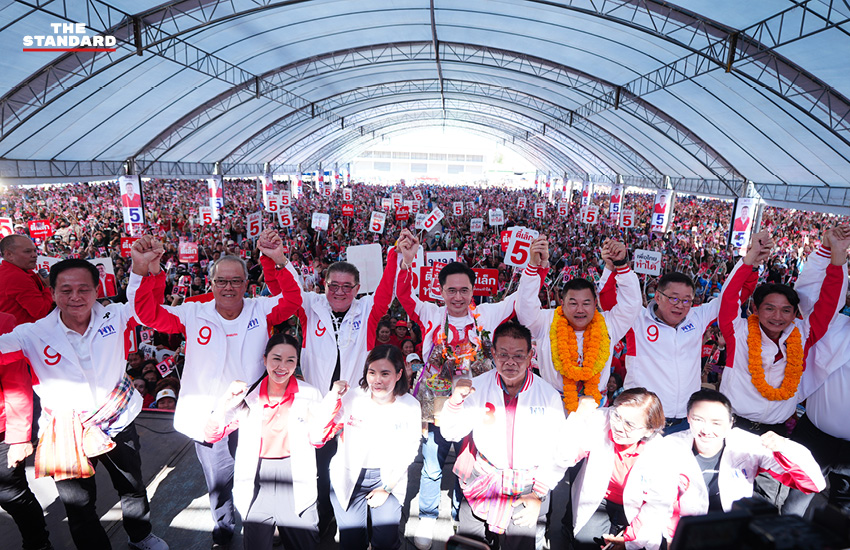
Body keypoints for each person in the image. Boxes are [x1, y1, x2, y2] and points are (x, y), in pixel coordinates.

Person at [130, 229, 302, 550]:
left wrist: (276, 260)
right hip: (210, 420)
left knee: (263, 475)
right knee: (220, 485)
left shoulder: (260, 309)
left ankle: (267, 527)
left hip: (254, 416)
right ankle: (224, 534)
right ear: (211, 284)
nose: (228, 287)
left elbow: (293, 299)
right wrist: (146, 271)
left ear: (246, 285)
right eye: (221, 281)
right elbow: (147, 314)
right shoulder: (193, 313)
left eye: (236, 281)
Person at [0, 258, 167, 550]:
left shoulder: (116, 315)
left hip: (117, 420)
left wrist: (146, 269)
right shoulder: (32, 334)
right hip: (65, 431)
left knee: (131, 486)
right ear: (52, 293)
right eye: (65, 290)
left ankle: (140, 536)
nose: (75, 297)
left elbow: (145, 305)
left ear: (96, 289)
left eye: (83, 289)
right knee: (79, 505)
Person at [395, 228, 541, 549]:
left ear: (474, 290)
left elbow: (521, 299)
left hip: (478, 406)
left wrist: (534, 267)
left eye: (464, 290)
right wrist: (405, 264)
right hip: (437, 404)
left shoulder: (488, 314)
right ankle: (429, 518)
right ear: (441, 290)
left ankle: (465, 521)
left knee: (470, 466)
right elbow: (405, 298)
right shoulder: (431, 313)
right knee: (433, 464)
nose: (458, 297)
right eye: (451, 291)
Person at [262, 235, 399, 536]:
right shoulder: (310, 305)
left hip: (356, 407)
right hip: (317, 408)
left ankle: (350, 518)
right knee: (318, 470)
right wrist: (277, 260)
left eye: (346, 286)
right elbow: (283, 290)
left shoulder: (367, 310)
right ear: (323, 286)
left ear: (357, 288)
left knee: (353, 467)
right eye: (333, 286)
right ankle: (323, 522)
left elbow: (388, 291)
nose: (339, 292)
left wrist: (395, 256)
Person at [717, 229, 848, 507]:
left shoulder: (802, 335)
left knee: (766, 508)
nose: (778, 316)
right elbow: (728, 299)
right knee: (722, 503)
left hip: (775, 436)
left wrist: (837, 261)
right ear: (755, 308)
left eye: (786, 310)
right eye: (769, 308)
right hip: (732, 430)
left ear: (795, 313)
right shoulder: (737, 332)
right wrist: (750, 259)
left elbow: (827, 306)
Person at [439, 322, 568, 550]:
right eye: (503, 355)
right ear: (493, 355)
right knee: (469, 545)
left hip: (527, 487)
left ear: (531, 356)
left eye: (519, 356)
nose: (510, 362)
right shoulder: (476, 387)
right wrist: (455, 403)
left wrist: (538, 494)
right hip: (482, 479)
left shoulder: (547, 396)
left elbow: (559, 451)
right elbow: (451, 432)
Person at [203, 333, 327, 550]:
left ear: (297, 363)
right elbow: (212, 434)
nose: (282, 366)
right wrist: (225, 400)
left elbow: (318, 440)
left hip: (296, 476)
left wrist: (326, 412)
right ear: (265, 359)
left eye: (291, 360)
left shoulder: (309, 394)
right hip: (256, 479)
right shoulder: (247, 396)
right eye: (276, 359)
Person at [667, 388, 824, 539]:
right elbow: (652, 503)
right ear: (688, 417)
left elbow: (813, 483)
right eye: (698, 419)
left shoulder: (746, 446)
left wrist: (784, 447)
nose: (707, 430)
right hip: (684, 534)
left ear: (730, 423)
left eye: (716, 423)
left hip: (733, 533)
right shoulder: (668, 447)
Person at [623, 266, 756, 433]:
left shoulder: (698, 317)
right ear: (657, 296)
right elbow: (608, 303)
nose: (680, 305)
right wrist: (618, 267)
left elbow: (735, 295)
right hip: (644, 420)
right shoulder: (637, 320)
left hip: (685, 423)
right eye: (674, 298)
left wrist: (750, 264)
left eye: (687, 300)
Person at [517, 236, 640, 412]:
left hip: (595, 410)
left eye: (586, 303)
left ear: (595, 302)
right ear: (561, 301)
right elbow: (525, 309)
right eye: (573, 303)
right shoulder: (547, 321)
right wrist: (532, 268)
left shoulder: (609, 323)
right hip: (552, 409)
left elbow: (632, 304)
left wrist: (622, 265)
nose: (580, 310)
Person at [777, 229, 850, 517]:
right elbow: (807, 300)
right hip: (815, 437)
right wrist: (828, 254)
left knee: (842, 517)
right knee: (793, 506)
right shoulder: (835, 330)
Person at [319, 345, 421, 550]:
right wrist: (333, 396)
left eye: (385, 373)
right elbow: (320, 427)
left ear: (399, 373)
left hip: (387, 478)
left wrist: (387, 488)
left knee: (385, 541)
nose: (377, 380)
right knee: (352, 541)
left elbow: (410, 450)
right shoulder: (354, 397)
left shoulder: (409, 405)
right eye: (372, 372)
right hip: (348, 476)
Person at [561, 389, 675, 550]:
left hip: (638, 507)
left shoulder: (660, 452)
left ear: (649, 429)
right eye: (616, 416)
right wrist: (579, 417)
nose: (619, 427)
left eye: (630, 424)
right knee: (586, 544)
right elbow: (564, 456)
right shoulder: (601, 421)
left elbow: (656, 505)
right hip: (600, 499)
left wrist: (628, 541)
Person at [0, 310, 52, 550]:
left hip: (2, 432)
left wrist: (20, 439)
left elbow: (17, 384)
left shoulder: (4, 322)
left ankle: (38, 545)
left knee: (13, 495)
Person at [0, 235, 54, 325]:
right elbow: (40, 311)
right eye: (27, 252)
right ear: (9, 255)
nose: (34, 255)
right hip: (23, 335)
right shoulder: (17, 277)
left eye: (35, 251)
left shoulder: (13, 271)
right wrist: (47, 287)